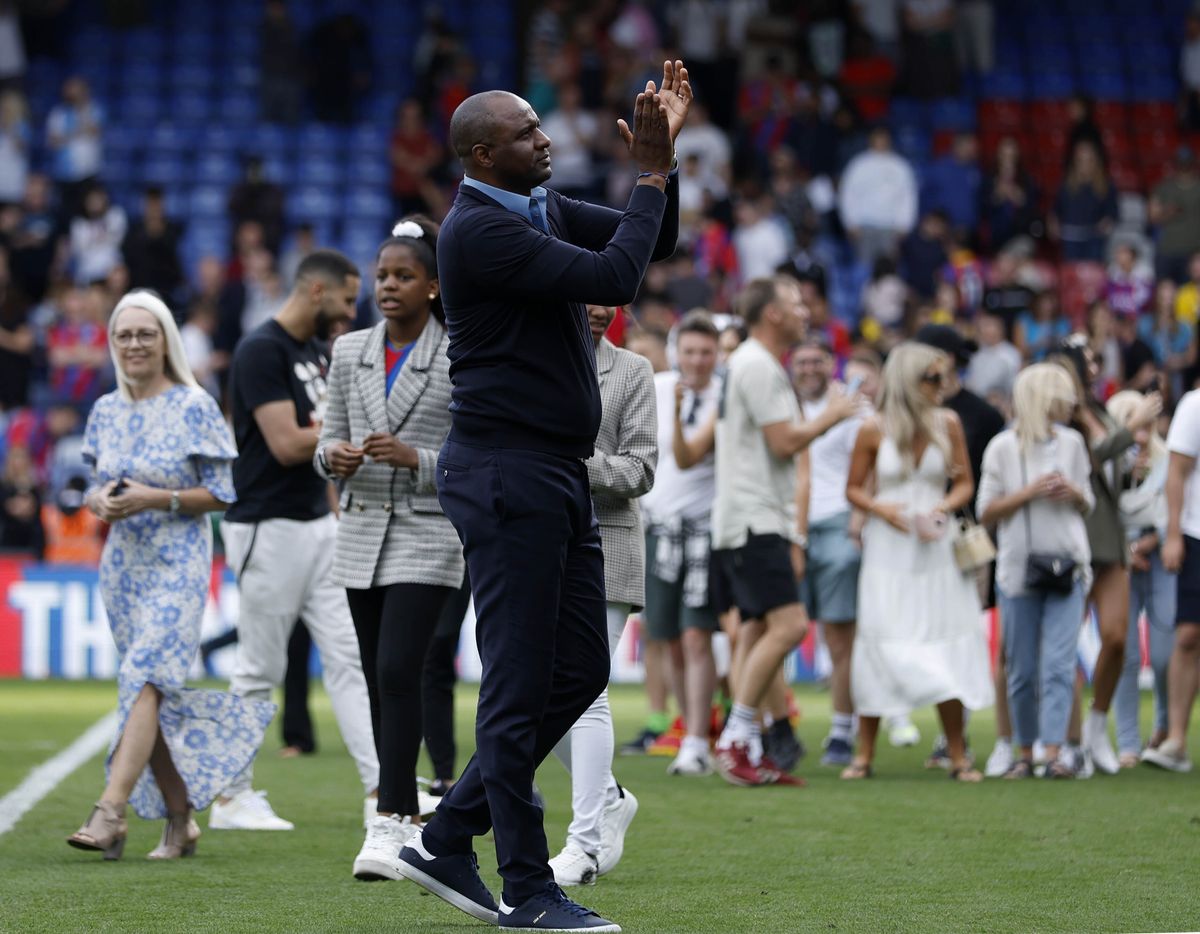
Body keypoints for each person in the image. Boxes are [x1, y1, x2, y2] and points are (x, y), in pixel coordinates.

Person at [395, 62, 688, 933]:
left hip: (553, 469)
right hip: (505, 471)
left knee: (580, 670)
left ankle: (449, 833)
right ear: (485, 154)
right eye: (527, 131)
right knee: (518, 686)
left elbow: (656, 242)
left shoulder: (538, 206)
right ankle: (528, 890)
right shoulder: (476, 232)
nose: (546, 137)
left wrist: (663, 163)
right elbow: (619, 276)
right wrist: (648, 173)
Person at [66, 290, 273, 860]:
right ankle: (181, 822)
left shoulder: (193, 404)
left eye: (145, 333)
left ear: (166, 342)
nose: (134, 344)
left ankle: (111, 809)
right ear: (112, 344)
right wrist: (101, 504)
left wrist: (155, 498)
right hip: (122, 570)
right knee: (147, 691)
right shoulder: (105, 409)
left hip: (178, 563)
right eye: (124, 335)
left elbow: (224, 493)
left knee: (145, 680)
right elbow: (92, 485)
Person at [312, 218, 464, 879]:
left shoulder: (460, 354)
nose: (387, 287)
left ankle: (392, 816)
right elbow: (325, 442)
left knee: (401, 669)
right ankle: (403, 805)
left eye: (403, 276)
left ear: (433, 286)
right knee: (380, 676)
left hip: (429, 530)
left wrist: (416, 459)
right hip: (361, 530)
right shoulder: (349, 352)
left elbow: (471, 455)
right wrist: (334, 458)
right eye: (381, 277)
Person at [213, 250, 379, 831]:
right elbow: (287, 445)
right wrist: (341, 436)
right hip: (268, 525)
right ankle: (231, 797)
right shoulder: (263, 349)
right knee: (258, 668)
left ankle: (383, 791)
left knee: (350, 660)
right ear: (315, 289)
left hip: (316, 524)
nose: (351, 309)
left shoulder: (313, 352)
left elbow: (318, 447)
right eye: (345, 296)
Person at [710, 275, 858, 787]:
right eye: (795, 303)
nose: (805, 311)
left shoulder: (749, 363)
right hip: (757, 518)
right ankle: (736, 736)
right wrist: (834, 415)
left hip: (744, 516)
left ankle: (745, 740)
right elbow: (784, 442)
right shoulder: (758, 365)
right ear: (771, 313)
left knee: (754, 629)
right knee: (791, 626)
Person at [842, 342, 992, 781]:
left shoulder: (949, 423)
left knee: (944, 638)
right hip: (888, 550)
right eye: (932, 377)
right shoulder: (872, 428)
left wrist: (944, 506)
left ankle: (958, 754)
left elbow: (966, 482)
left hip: (937, 547)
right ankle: (863, 754)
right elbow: (854, 489)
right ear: (909, 380)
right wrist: (882, 509)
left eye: (942, 377)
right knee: (879, 639)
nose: (941, 386)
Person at [549, 302, 656, 887]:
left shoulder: (633, 371)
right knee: (540, 695)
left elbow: (641, 470)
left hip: (608, 546)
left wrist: (570, 465)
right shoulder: (533, 360)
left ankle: (584, 844)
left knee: (586, 693)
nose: (595, 307)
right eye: (581, 292)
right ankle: (611, 797)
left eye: (604, 295)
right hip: (538, 545)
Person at [977, 363, 1095, 778]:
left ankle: (1054, 751)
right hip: (1017, 569)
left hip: (1069, 564)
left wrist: (1074, 492)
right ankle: (1024, 751)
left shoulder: (1074, 444)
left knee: (1060, 665)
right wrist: (1029, 492)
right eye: (1062, 395)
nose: (1070, 403)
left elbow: (1089, 504)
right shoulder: (1002, 447)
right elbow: (985, 511)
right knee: (1022, 667)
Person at [1052, 338, 1163, 775]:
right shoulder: (1064, 418)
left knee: (1117, 637)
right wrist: (1132, 423)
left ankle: (1098, 726)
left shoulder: (1095, 411)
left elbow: (1109, 465)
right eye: (1090, 361)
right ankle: (1070, 741)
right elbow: (1086, 460)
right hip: (1074, 537)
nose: (1097, 367)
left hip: (1110, 536)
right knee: (1065, 643)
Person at [636, 311, 723, 777]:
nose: (697, 360)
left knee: (696, 636)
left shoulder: (725, 395)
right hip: (657, 526)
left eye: (706, 352)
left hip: (704, 530)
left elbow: (690, 459)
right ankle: (686, 727)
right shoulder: (655, 385)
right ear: (676, 352)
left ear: (717, 355)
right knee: (666, 636)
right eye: (689, 351)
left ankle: (696, 740)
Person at [790, 338, 869, 767]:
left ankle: (841, 730)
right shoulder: (779, 404)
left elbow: (873, 464)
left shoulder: (855, 407)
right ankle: (770, 727)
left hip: (838, 523)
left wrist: (859, 517)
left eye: (816, 360)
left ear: (830, 364)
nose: (808, 368)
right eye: (801, 361)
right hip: (789, 525)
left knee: (840, 636)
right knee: (776, 630)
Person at [1106, 391, 1176, 767]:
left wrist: (1152, 542)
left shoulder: (1170, 462)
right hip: (1120, 562)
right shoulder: (1108, 464)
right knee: (1125, 653)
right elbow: (1100, 511)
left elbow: (1181, 507)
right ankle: (1128, 743)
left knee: (1166, 654)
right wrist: (1128, 550)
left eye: (1148, 426)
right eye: (1135, 426)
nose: (1143, 436)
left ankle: (1165, 728)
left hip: (1164, 559)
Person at [1142, 386, 1200, 772]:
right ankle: (1176, 738)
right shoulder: (1195, 405)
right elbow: (1176, 473)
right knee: (1189, 635)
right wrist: (1174, 534)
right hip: (1197, 533)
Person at [837, 125, 918, 267]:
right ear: (871, 140)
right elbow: (848, 195)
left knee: (889, 268)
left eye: (884, 138)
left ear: (889, 140)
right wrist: (850, 222)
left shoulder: (900, 166)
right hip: (864, 225)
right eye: (877, 138)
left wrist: (905, 224)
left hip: (890, 226)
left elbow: (907, 197)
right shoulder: (858, 165)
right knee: (864, 268)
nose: (881, 141)